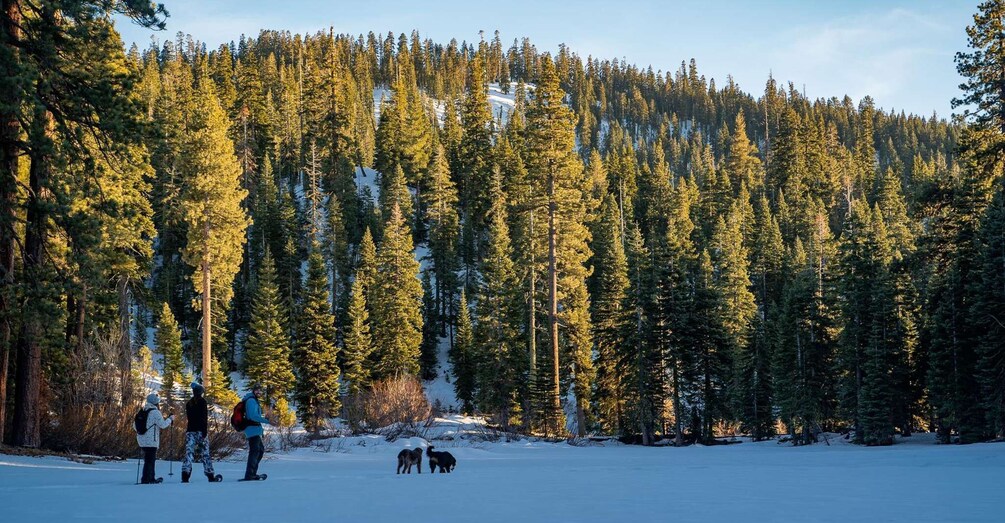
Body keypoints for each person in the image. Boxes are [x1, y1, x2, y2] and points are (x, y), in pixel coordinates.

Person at [182, 382, 221, 483]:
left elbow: (190, 418)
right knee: (205, 454)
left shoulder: (189, 403)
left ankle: (185, 475)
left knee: (189, 453)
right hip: (200, 431)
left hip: (190, 431)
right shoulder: (202, 402)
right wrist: (204, 432)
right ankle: (210, 475)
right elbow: (203, 418)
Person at [135, 393, 174, 484]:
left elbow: (135, 426)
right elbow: (163, 425)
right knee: (150, 460)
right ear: (155, 403)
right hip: (151, 441)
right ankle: (146, 479)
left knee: (148, 459)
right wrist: (170, 419)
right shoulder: (155, 412)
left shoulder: (142, 411)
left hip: (141, 439)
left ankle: (150, 478)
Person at [242, 385, 270, 481]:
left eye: (260, 391)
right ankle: (250, 474)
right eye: (257, 390)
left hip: (254, 429)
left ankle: (252, 473)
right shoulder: (251, 401)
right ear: (253, 391)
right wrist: (267, 421)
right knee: (255, 452)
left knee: (259, 450)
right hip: (252, 429)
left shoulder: (253, 400)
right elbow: (253, 416)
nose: (259, 392)